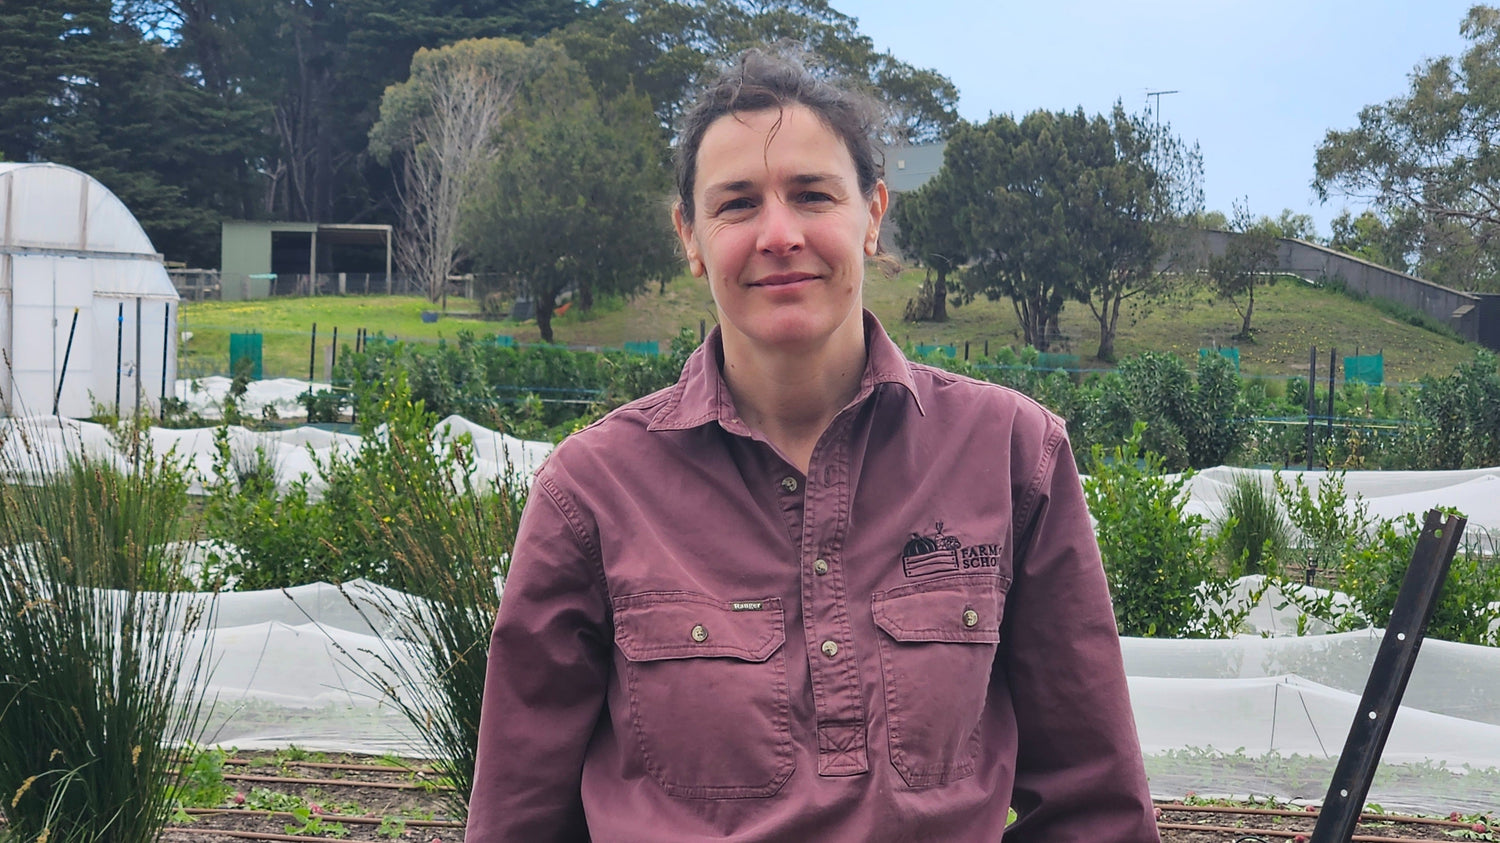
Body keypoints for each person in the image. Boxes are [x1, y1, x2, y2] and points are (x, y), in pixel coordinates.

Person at [466, 49, 1159, 843]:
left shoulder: (1011, 455)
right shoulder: (590, 490)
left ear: (871, 214)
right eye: (736, 204)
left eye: (812, 195)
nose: (780, 233)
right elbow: (516, 820)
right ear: (689, 237)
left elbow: (1097, 806)